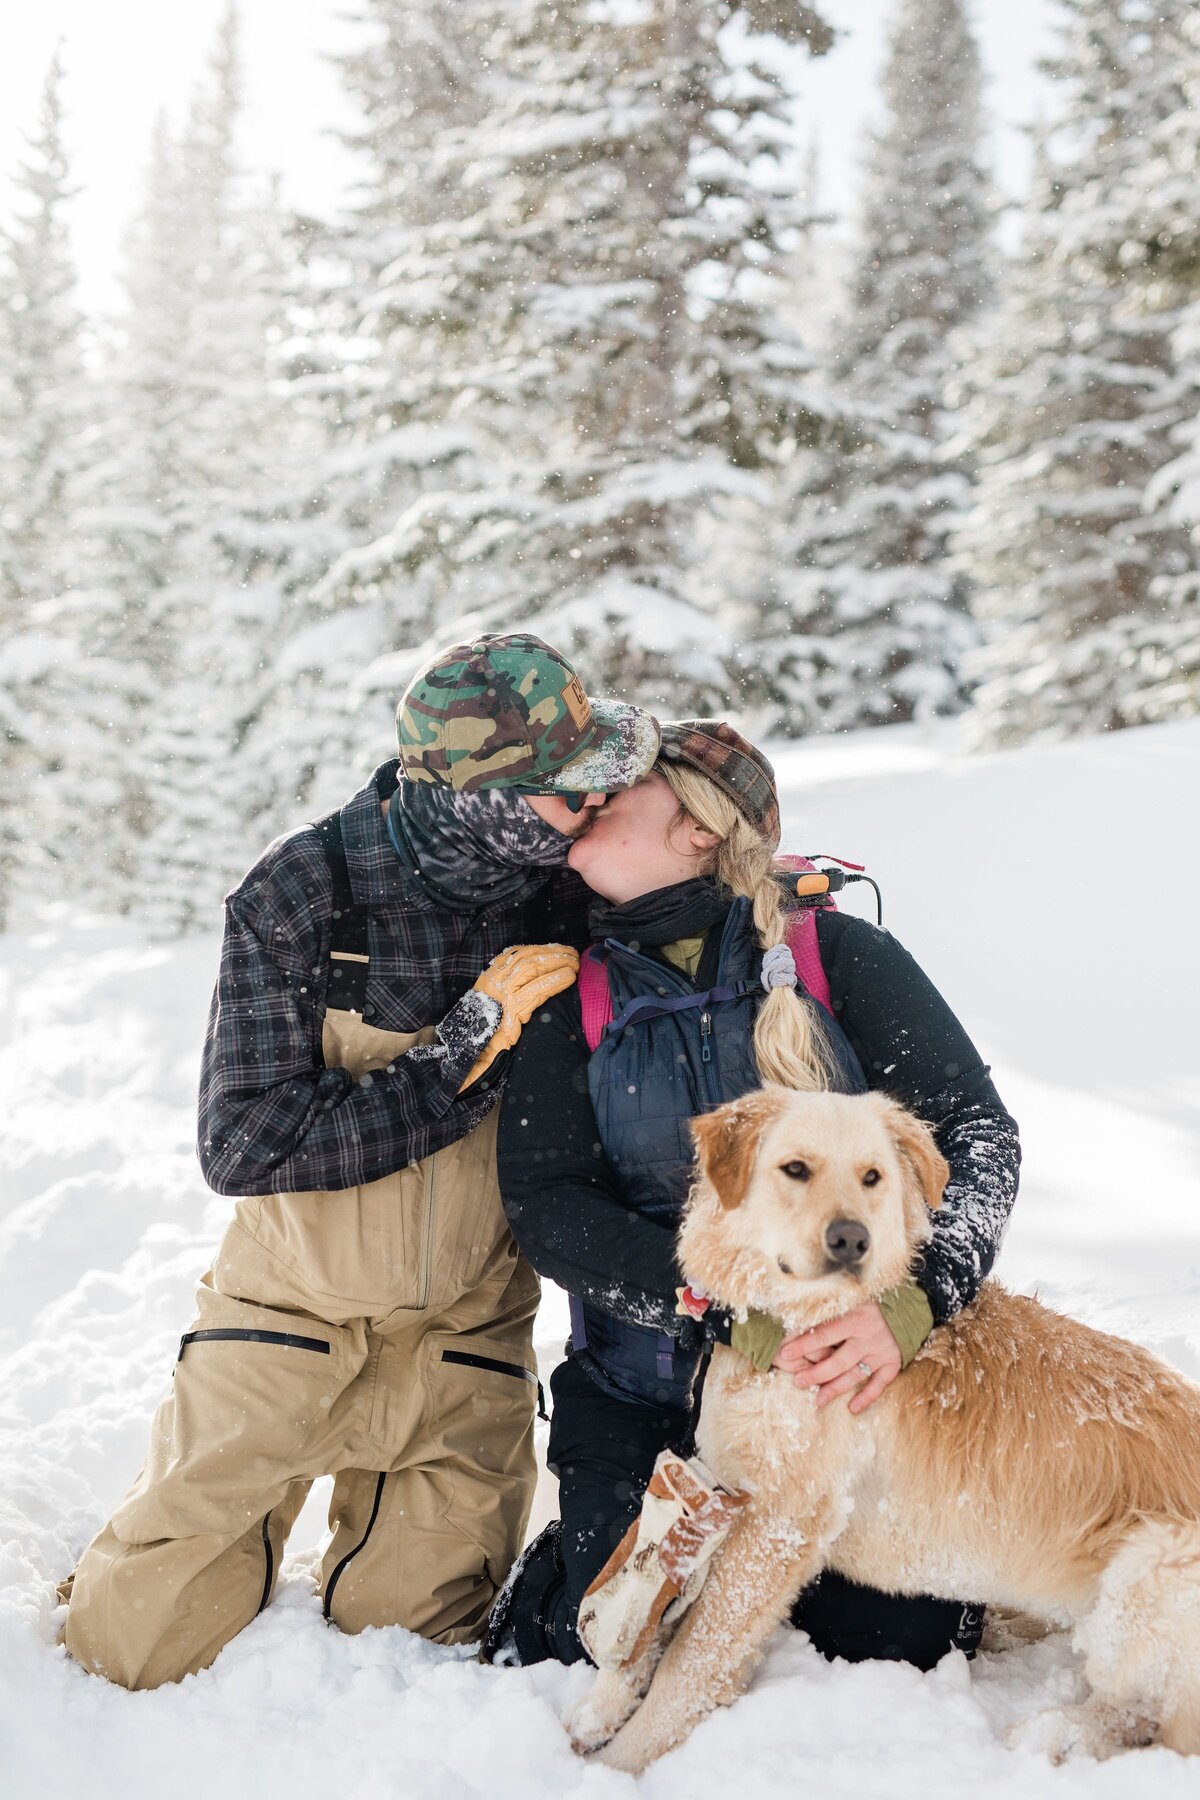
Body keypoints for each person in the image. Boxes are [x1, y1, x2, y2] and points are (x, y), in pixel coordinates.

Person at [59, 633, 660, 1690]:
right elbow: (241, 1142)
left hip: (467, 1335)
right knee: (133, 1643)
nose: (600, 805)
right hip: (287, 1317)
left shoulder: (564, 889)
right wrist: (458, 1053)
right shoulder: (305, 889)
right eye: (577, 790)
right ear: (494, 804)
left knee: (409, 1642)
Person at [486, 720, 1021, 1670]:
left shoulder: (836, 959)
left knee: (885, 1647)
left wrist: (913, 1304)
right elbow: (549, 1201)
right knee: (599, 1640)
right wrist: (714, 1305)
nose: (590, 806)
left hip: (844, 1399)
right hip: (646, 1391)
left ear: (696, 829)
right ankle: (570, 1558)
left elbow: (975, 1138)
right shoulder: (575, 997)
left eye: (619, 796)